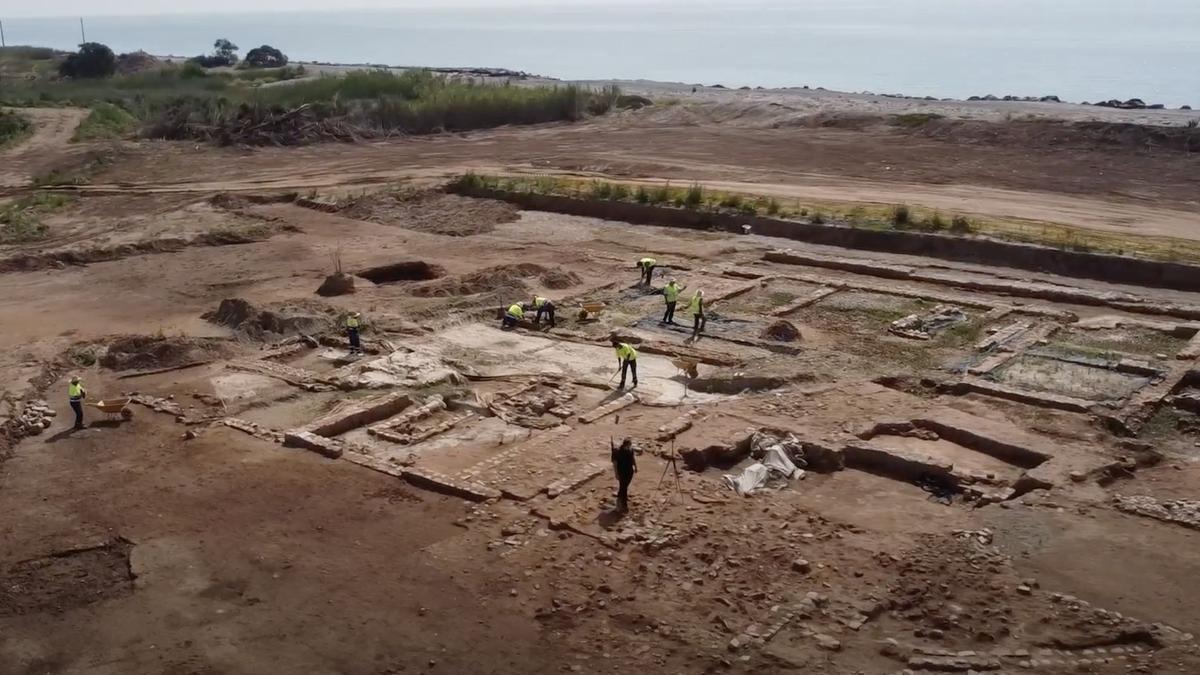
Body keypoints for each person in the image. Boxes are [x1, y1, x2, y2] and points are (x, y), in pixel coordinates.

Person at [611, 438, 637, 512]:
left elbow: (632, 458)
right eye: (628, 445)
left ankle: (620, 496)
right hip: (622, 472)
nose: (629, 447)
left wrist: (635, 466)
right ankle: (624, 504)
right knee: (624, 487)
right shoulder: (618, 452)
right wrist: (616, 473)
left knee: (624, 486)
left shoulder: (630, 450)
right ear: (625, 445)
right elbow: (615, 463)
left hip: (629, 471)